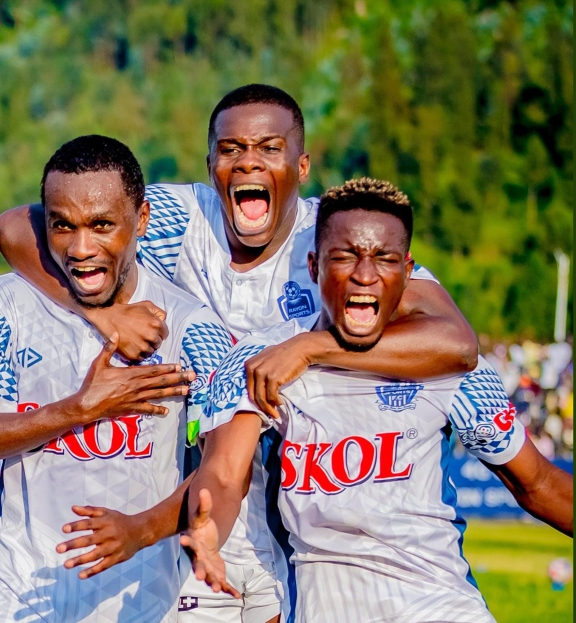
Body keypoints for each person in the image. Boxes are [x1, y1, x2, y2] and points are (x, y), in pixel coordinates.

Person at [0, 84, 478, 622]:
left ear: (302, 165)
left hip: (287, 512)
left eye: (269, 148)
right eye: (231, 150)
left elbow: (455, 342)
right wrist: (100, 314)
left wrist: (309, 347)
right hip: (198, 492)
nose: (248, 162)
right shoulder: (181, 217)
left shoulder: (334, 241)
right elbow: (14, 227)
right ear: (211, 164)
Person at [183, 178, 574, 623]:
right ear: (314, 266)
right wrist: (206, 529)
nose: (364, 275)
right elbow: (225, 473)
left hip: (442, 607)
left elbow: (538, 484)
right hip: (325, 607)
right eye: (345, 255)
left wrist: (313, 348)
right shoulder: (263, 361)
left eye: (384, 259)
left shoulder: (447, 365)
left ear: (408, 273)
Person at [0, 135, 233, 622]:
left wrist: (140, 530)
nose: (81, 248)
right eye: (63, 226)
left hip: (141, 595)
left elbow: (224, 468)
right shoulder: (5, 303)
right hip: (20, 587)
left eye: (102, 225)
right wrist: (79, 409)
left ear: (140, 220)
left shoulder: (190, 328)